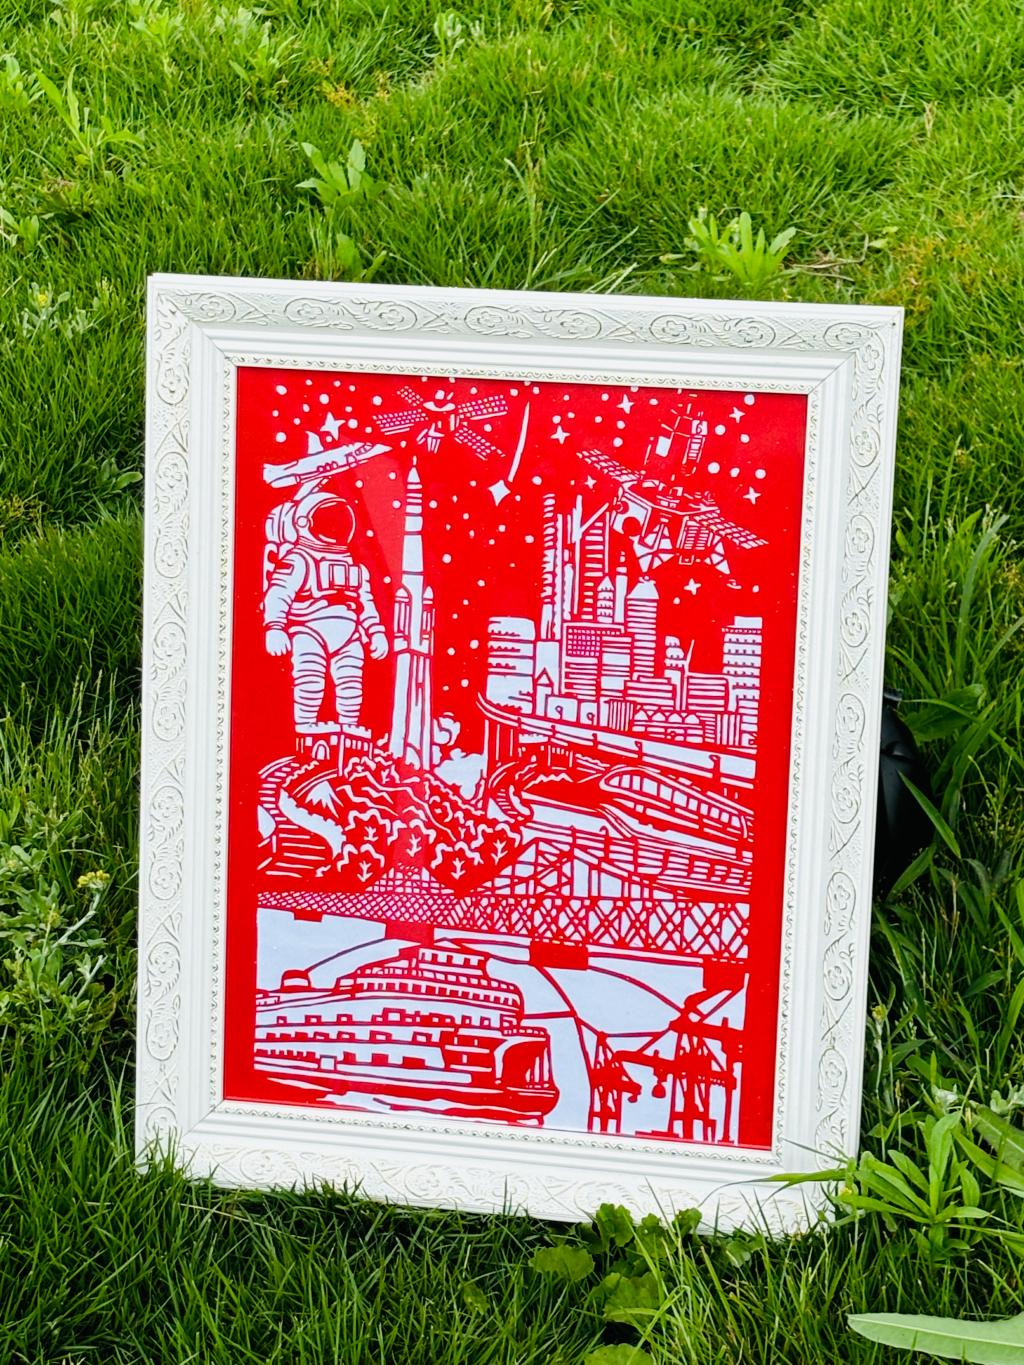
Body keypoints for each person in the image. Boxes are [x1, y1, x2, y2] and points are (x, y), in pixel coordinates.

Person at [263, 493, 388, 729]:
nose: (335, 526)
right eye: (327, 519)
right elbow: (278, 593)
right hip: (309, 630)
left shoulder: (355, 567)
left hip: (349, 634)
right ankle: (306, 725)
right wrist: (275, 627)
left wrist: (376, 632)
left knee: (351, 684)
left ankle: (349, 727)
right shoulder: (298, 560)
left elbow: (366, 603)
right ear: (304, 522)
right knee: (310, 679)